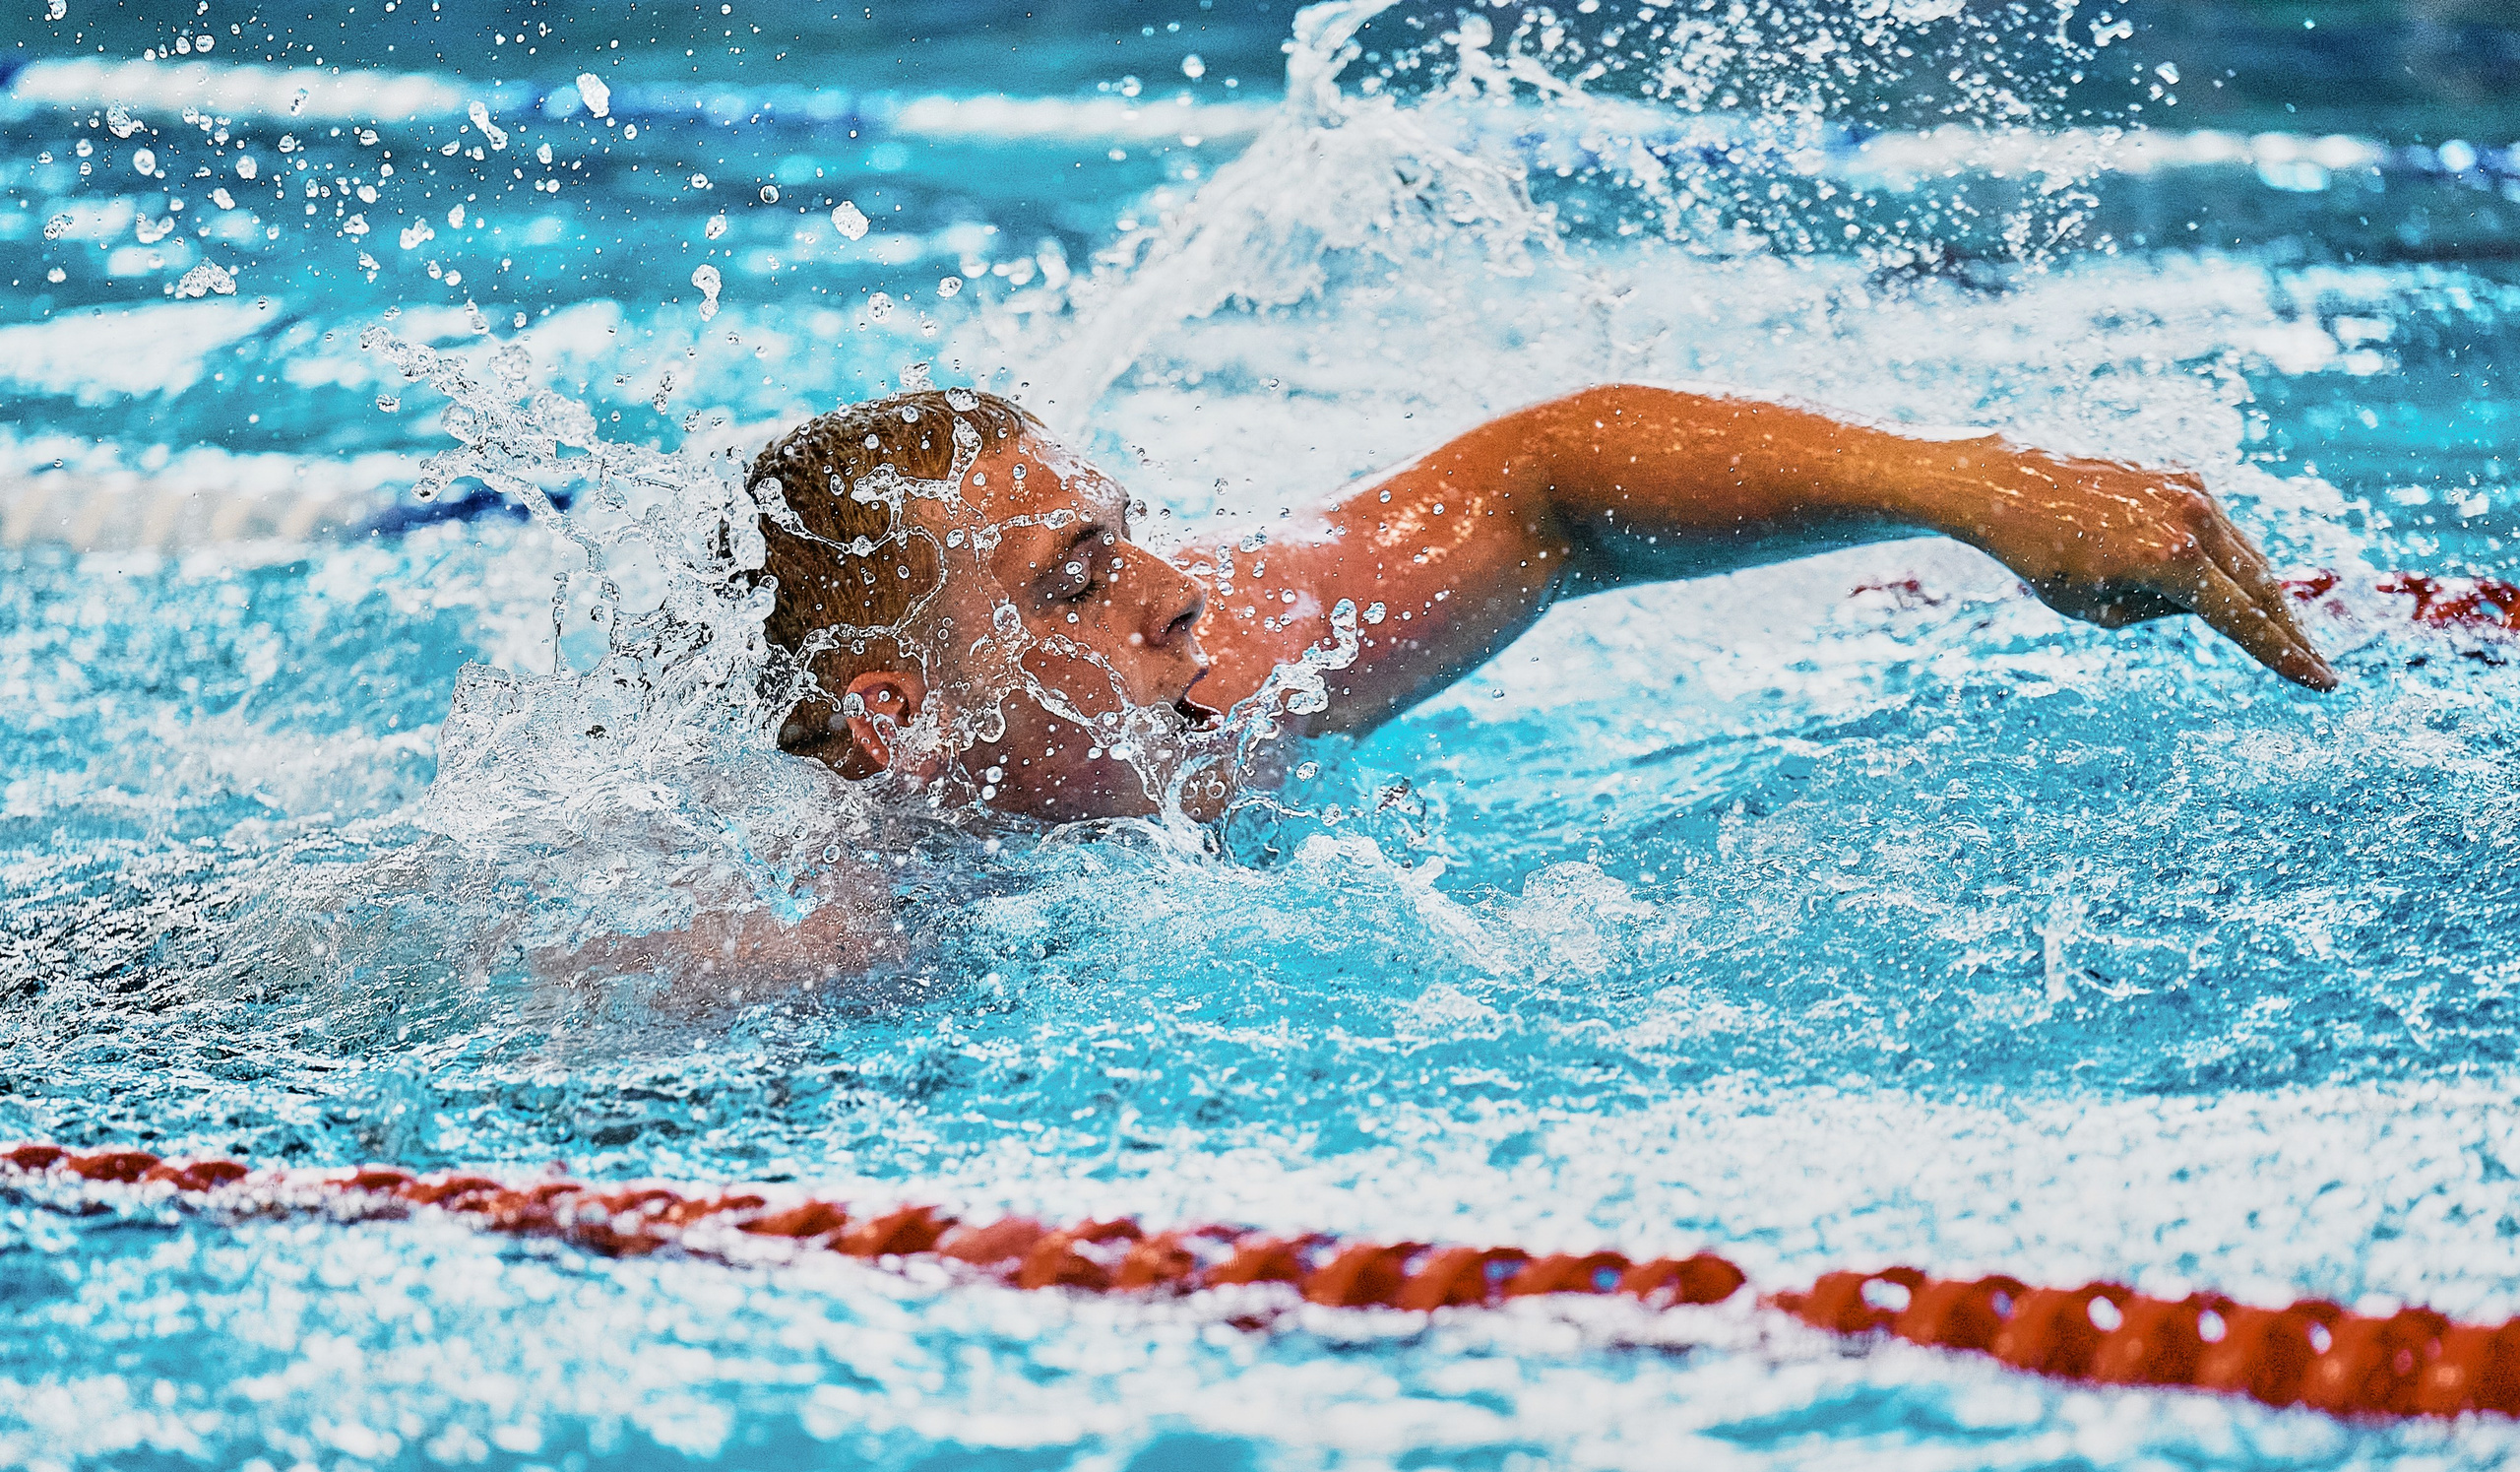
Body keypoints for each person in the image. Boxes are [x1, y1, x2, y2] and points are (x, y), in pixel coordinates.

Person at [742, 382, 2334, 828]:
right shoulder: (805, 941)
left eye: (1129, 535)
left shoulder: (1241, 658)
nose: (1178, 598)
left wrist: (1960, 485)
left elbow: (1541, 486)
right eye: (1079, 581)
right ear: (902, 719)